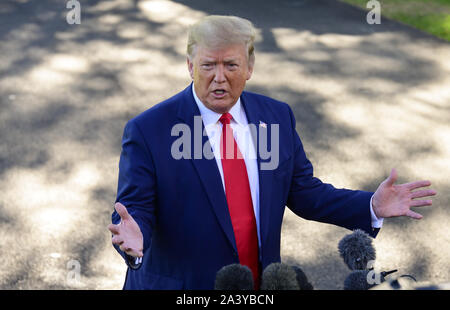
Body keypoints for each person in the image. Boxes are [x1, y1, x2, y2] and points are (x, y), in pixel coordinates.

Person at [108, 15, 436, 290]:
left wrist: (369, 205)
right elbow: (134, 208)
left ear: (249, 67)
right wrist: (135, 243)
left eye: (231, 65)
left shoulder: (275, 117)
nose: (218, 77)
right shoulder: (149, 130)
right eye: (207, 65)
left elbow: (304, 192)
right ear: (190, 65)